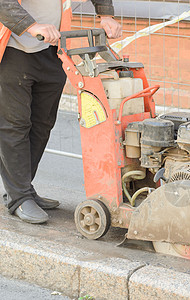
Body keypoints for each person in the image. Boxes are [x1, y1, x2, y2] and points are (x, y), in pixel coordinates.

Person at [0, 0, 122, 224]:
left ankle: (20, 188)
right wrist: (31, 26)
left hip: (52, 49)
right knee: (15, 125)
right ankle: (19, 197)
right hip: (11, 50)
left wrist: (105, 15)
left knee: (42, 123)